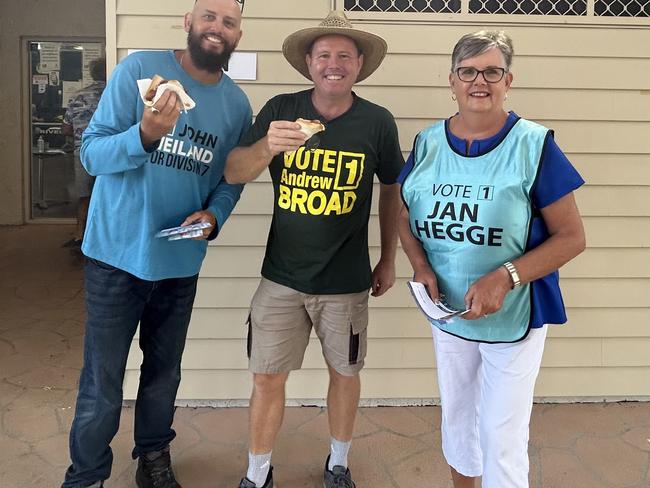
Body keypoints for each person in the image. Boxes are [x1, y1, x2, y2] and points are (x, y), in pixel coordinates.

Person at [61, 1, 251, 487]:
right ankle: (86, 475)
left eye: (228, 22)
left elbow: (228, 179)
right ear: (188, 22)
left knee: (164, 374)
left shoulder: (236, 105)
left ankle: (153, 457)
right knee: (102, 382)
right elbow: (92, 155)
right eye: (208, 16)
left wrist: (215, 214)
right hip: (114, 257)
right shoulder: (140, 69)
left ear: (238, 35)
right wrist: (145, 134)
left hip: (178, 259)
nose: (217, 27)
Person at [398, 31, 586, 488]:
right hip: (450, 312)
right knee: (459, 418)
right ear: (452, 80)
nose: (478, 81)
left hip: (513, 315)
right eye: (468, 71)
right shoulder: (427, 143)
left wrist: (507, 275)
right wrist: (421, 268)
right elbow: (402, 212)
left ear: (508, 80)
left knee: (501, 433)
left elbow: (572, 237)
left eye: (491, 71)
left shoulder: (533, 144)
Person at [224, 10, 404, 488]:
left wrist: (389, 257)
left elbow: (392, 189)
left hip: (346, 280)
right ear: (308, 62)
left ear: (359, 64)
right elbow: (234, 171)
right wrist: (267, 146)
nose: (333, 63)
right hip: (281, 276)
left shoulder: (377, 122)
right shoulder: (281, 109)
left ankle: (338, 464)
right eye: (323, 54)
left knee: (345, 373)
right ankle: (257, 474)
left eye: (345, 55)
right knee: (266, 377)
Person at [62, 57, 106, 247]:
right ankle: (104, 238)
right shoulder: (114, 94)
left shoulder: (78, 96)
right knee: (109, 195)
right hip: (109, 151)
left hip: (83, 151)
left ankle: (80, 235)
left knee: (84, 196)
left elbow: (66, 129)